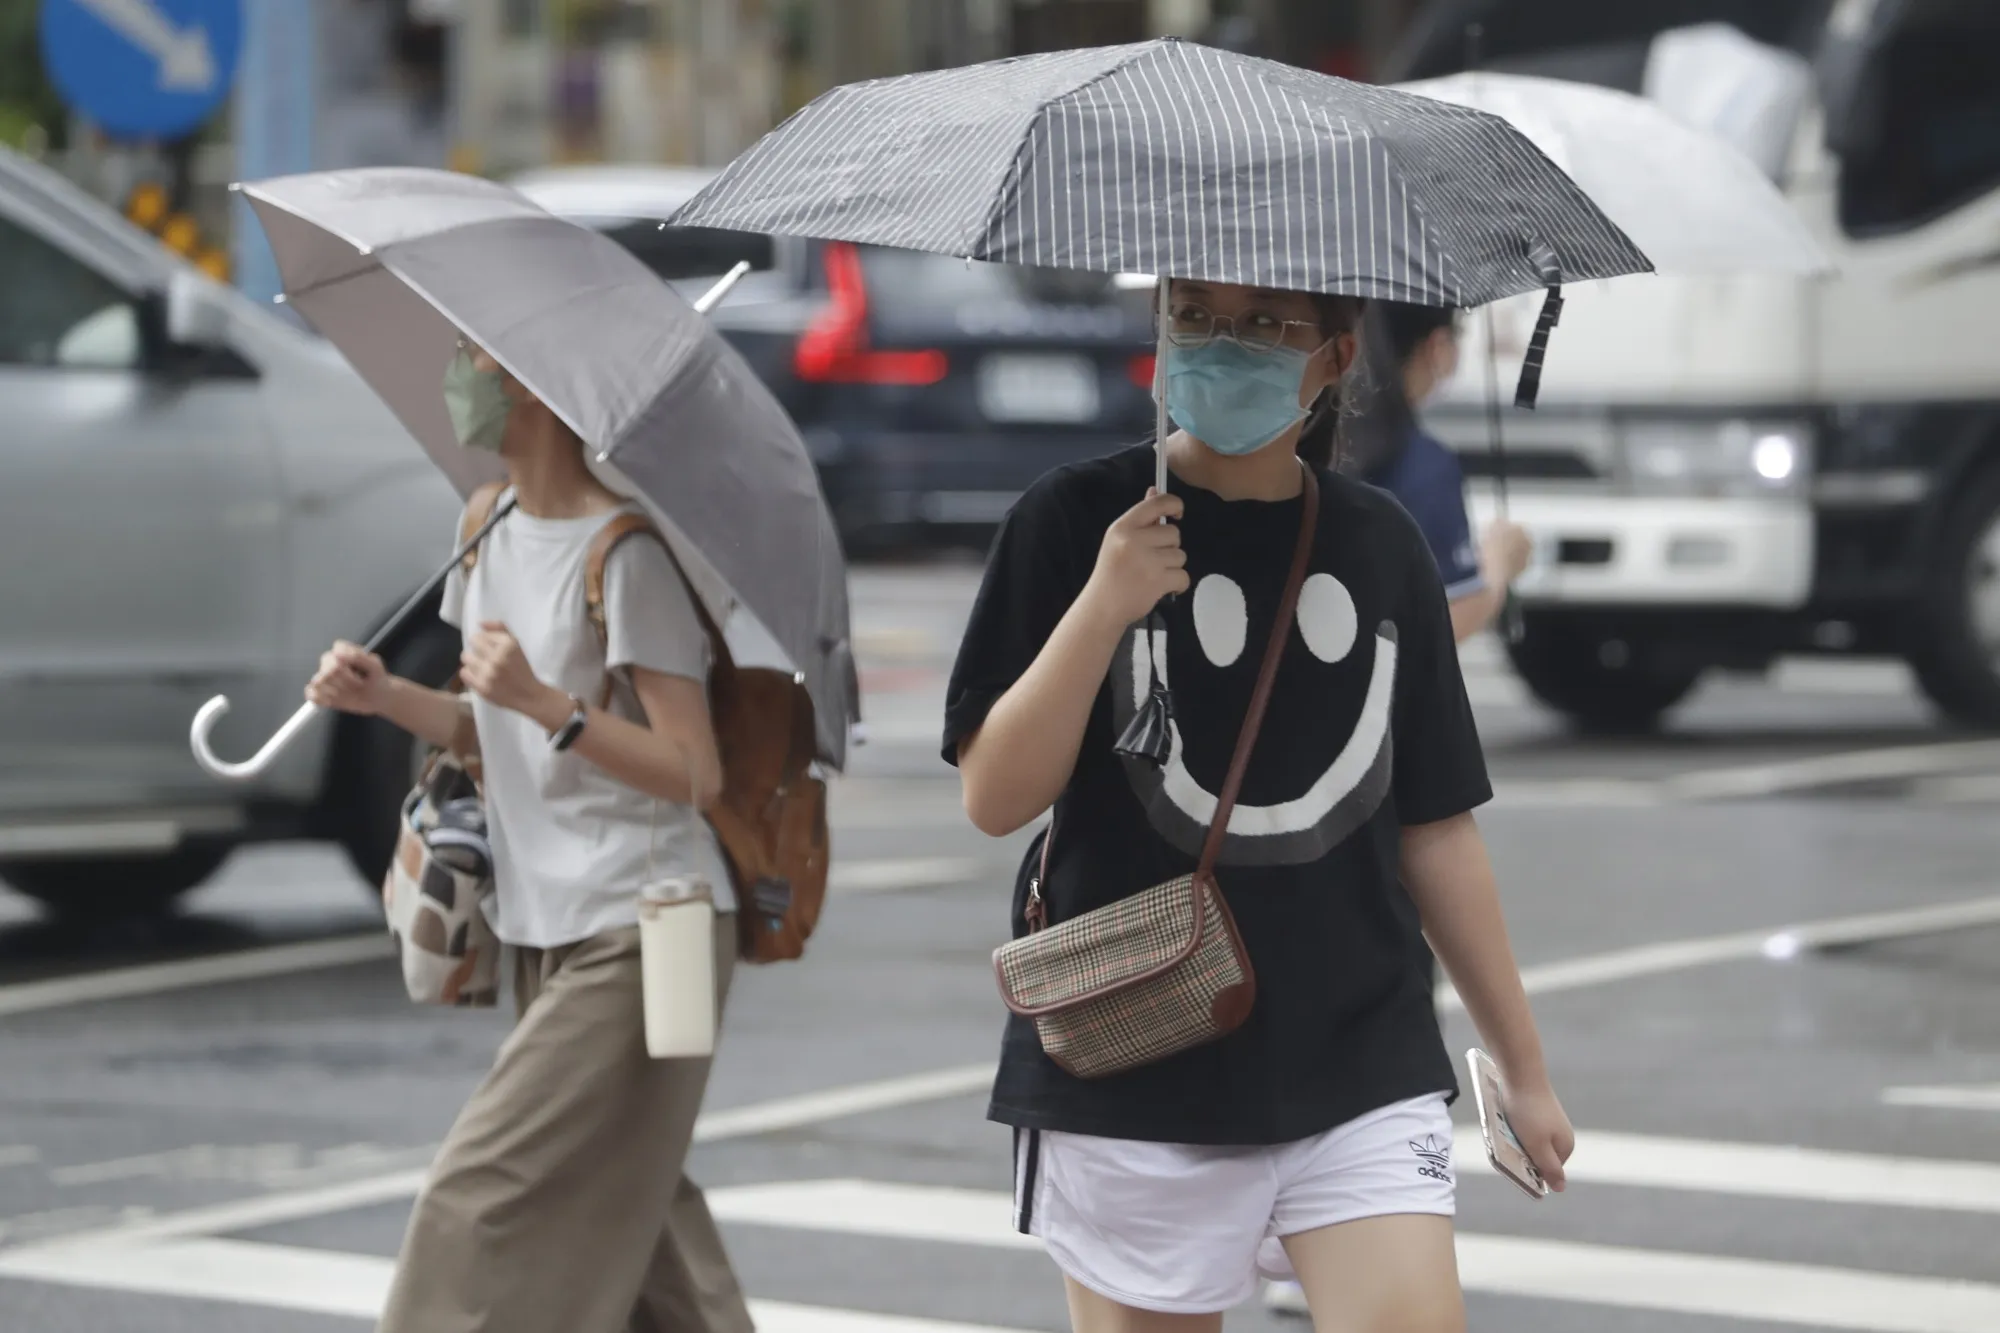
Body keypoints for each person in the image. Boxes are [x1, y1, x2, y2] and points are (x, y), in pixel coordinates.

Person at [944, 281, 1573, 1332]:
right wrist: (1103, 604)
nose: (1220, 346)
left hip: (1361, 1054)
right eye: (1193, 314)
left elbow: (1436, 828)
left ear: (1331, 359)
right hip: (1134, 1053)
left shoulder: (1379, 546)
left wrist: (1525, 1067)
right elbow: (994, 796)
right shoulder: (1067, 521)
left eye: (1263, 325)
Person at [306, 337, 752, 1333]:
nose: (455, 377)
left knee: (480, 1193)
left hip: (649, 927)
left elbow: (694, 770)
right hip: (545, 922)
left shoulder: (625, 555)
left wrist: (547, 703)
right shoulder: (485, 523)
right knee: (640, 1206)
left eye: (473, 358)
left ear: (537, 392)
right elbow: (483, 730)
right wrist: (388, 700)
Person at [1261, 301, 1536, 1318]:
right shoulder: (1418, 470)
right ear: (1427, 348)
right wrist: (1497, 572)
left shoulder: (1304, 462)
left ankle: (1307, 1224)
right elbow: (1439, 623)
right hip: (1364, 790)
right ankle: (1312, 1227)